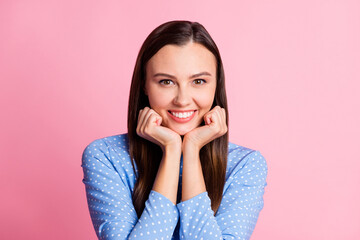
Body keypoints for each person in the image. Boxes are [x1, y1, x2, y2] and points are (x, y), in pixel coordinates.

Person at [81, 20, 268, 240]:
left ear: (216, 84)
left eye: (198, 81)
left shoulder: (245, 165)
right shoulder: (106, 157)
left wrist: (191, 150)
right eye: (166, 82)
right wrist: (171, 150)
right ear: (144, 84)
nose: (182, 100)